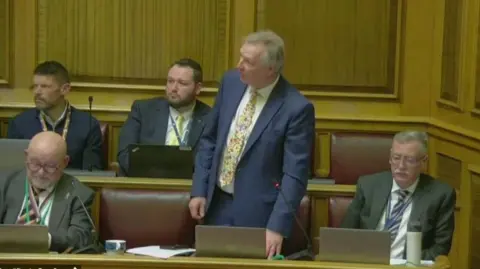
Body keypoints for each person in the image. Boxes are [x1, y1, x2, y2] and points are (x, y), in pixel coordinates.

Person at [189, 30, 315, 259]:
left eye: (248, 61)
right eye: (240, 57)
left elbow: (295, 175)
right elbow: (209, 139)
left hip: (260, 216)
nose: (239, 65)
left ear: (270, 69)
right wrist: (199, 189)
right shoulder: (230, 83)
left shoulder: (296, 108)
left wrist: (277, 226)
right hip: (216, 205)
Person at [340, 131, 456, 260]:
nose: (401, 166)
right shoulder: (368, 186)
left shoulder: (440, 195)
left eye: (409, 160)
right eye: (396, 158)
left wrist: (407, 261)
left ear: (424, 161)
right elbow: (345, 235)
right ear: (390, 158)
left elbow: (440, 249)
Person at [0, 131, 95, 253]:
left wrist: (45, 239)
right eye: (34, 164)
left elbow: (80, 238)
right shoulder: (6, 184)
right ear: (26, 157)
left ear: (65, 162)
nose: (40, 172)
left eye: (50, 166)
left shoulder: (79, 194)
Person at [117, 58, 211, 176]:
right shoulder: (143, 110)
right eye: (170, 81)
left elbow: (209, 162)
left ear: (197, 88)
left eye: (182, 83)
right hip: (144, 183)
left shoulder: (210, 118)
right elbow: (124, 153)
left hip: (187, 187)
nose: (173, 88)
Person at [7, 61, 104, 170]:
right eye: (35, 86)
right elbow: (14, 172)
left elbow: (92, 175)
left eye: (44, 86)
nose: (37, 92)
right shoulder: (20, 123)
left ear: (65, 89)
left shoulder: (88, 125)